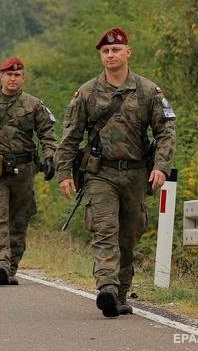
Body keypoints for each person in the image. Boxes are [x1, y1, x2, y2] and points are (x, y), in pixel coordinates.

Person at [55, 27, 175, 318]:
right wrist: (64, 172)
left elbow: (166, 132)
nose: (111, 54)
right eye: (106, 51)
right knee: (104, 228)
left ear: (127, 53)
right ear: (101, 56)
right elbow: (70, 136)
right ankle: (106, 286)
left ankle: (120, 293)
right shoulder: (87, 93)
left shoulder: (149, 91)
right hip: (100, 174)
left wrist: (161, 167)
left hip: (136, 175)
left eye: (116, 50)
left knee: (129, 235)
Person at [0, 56, 57, 286]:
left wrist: (50, 158)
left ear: (23, 78)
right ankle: (1, 263)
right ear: (1, 76)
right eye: (9, 74)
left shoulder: (34, 105)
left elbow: (47, 133)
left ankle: (11, 266)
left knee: (19, 221)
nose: (13, 79)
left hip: (24, 172)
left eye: (17, 75)